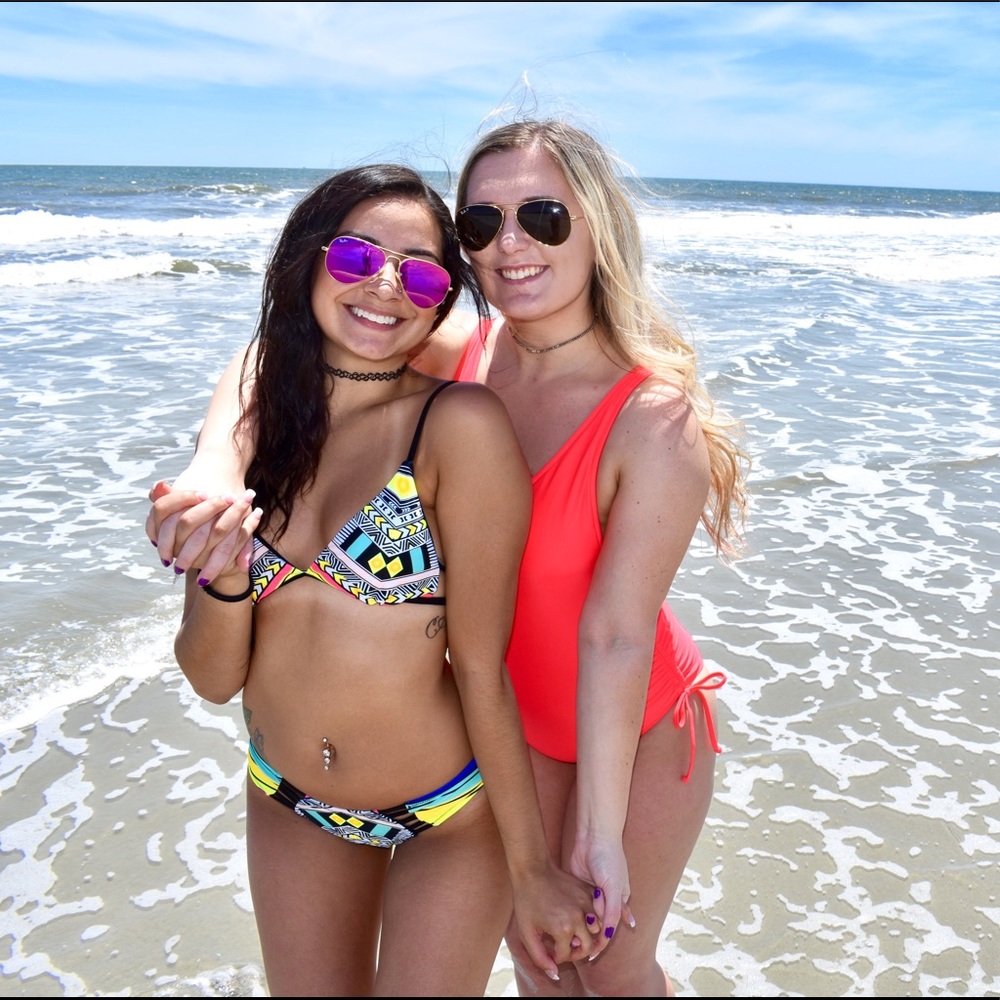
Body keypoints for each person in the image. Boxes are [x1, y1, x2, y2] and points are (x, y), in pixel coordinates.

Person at [151, 122, 748, 996]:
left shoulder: (651, 419)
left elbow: (615, 638)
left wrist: (601, 829)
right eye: (481, 223)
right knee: (546, 971)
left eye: (543, 217)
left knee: (610, 965)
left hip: (631, 722)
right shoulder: (459, 354)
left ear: (598, 229)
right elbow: (285, 355)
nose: (510, 244)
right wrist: (215, 464)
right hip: (506, 726)